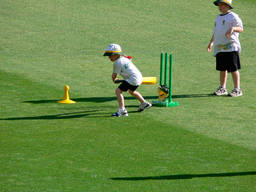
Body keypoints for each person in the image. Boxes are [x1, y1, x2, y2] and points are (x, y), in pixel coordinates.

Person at [103, 43, 152, 117]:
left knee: (118, 91)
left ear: (116, 54)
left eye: (110, 55)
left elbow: (114, 75)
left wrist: (114, 80)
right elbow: (128, 59)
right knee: (131, 91)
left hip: (132, 78)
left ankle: (122, 110)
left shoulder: (117, 63)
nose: (109, 57)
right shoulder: (124, 58)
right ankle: (144, 103)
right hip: (139, 77)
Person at [207, 0, 243, 97]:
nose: (220, 7)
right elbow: (216, 31)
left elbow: (240, 28)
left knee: (233, 69)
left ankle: (237, 89)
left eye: (222, 5)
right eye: (219, 5)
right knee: (222, 69)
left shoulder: (233, 16)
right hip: (220, 47)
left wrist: (233, 29)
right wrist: (211, 42)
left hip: (231, 46)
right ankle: (222, 88)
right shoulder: (218, 17)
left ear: (228, 6)